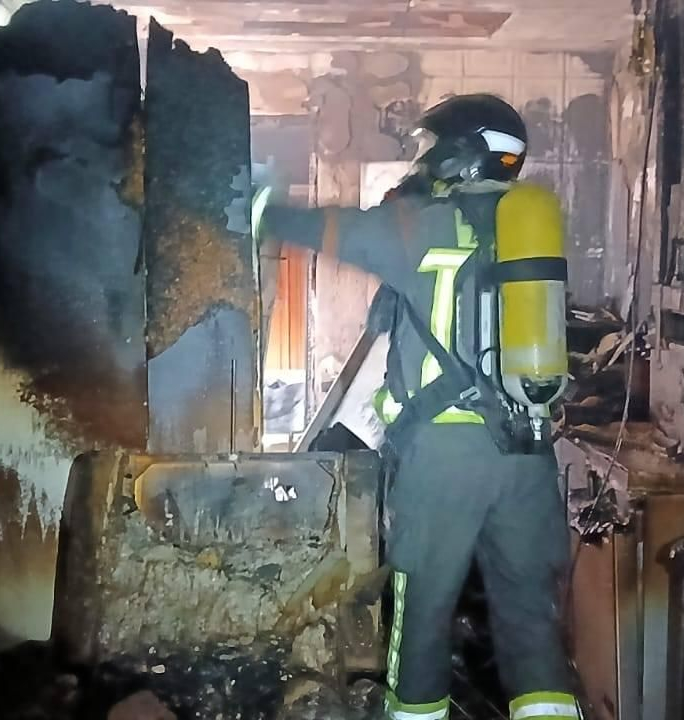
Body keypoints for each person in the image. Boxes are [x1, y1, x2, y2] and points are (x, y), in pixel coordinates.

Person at [256, 94, 581, 720]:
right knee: (529, 619)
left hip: (444, 458)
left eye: (432, 149)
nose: (423, 161)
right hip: (528, 449)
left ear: (460, 153)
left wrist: (259, 205)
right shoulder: (528, 230)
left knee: (422, 613)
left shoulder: (420, 225)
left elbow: (329, 228)